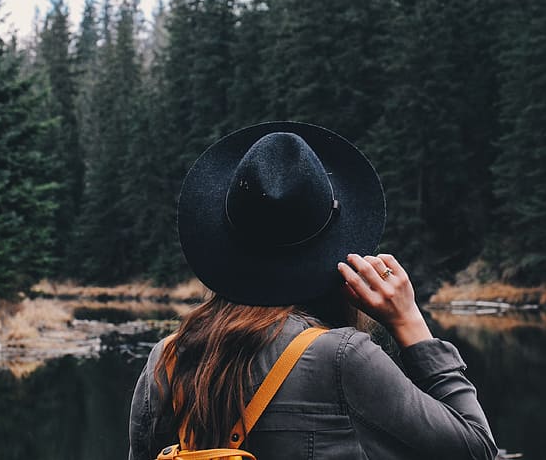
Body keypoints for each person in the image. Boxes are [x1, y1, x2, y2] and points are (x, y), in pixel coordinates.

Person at [128, 122, 497, 460]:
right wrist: (409, 322)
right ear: (335, 249)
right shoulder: (341, 358)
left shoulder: (167, 359)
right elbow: (475, 449)